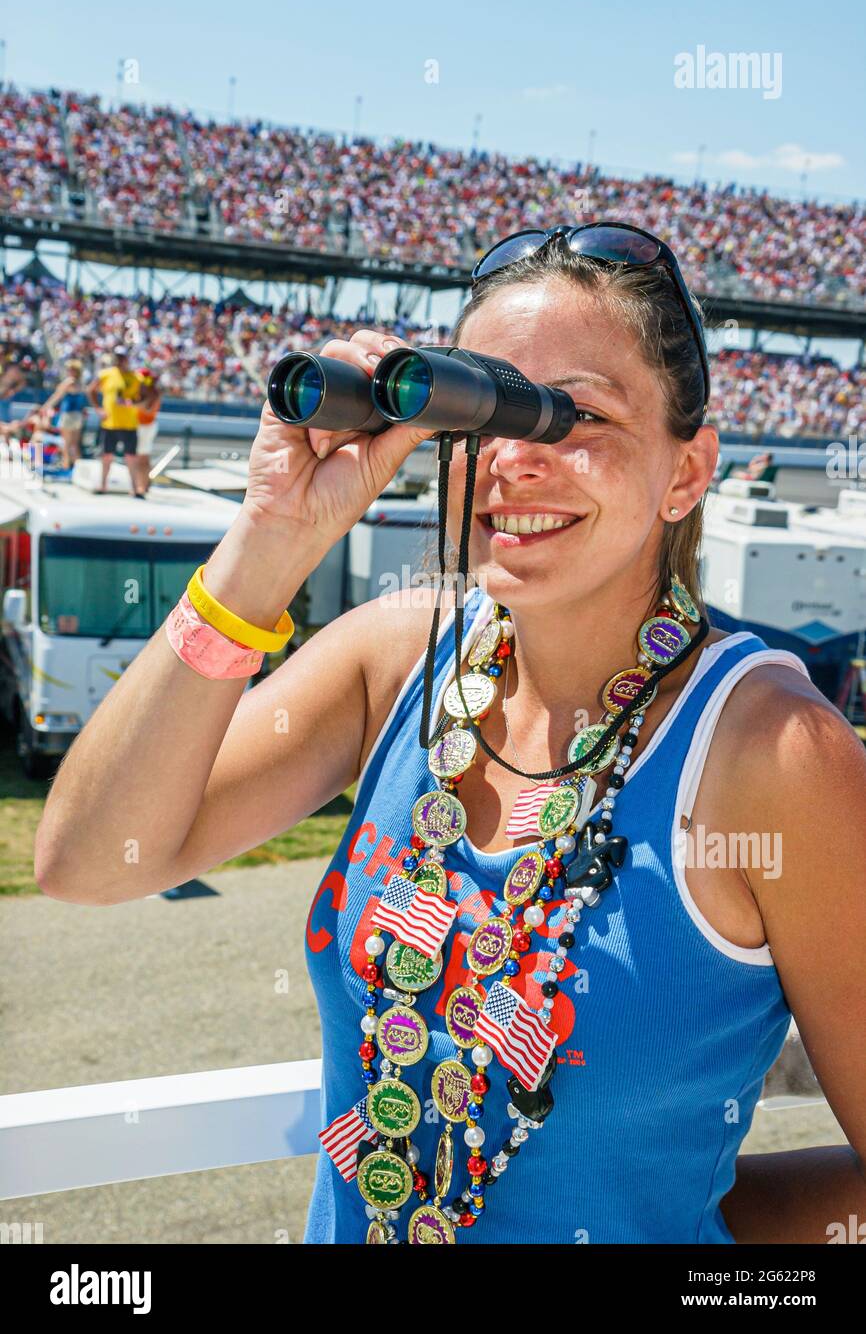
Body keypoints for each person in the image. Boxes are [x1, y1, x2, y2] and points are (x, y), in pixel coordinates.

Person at [33, 224, 866, 1246]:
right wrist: (270, 538)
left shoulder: (774, 758)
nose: (512, 458)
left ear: (686, 472)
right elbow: (88, 859)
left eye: (576, 414)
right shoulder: (393, 661)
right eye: (482, 408)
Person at [86, 344, 142, 496]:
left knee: (130, 456)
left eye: (122, 358)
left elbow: (143, 398)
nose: (120, 361)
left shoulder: (136, 377)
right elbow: (90, 390)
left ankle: (135, 488)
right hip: (109, 423)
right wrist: (98, 409)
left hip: (129, 423)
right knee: (106, 455)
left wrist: (132, 403)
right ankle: (103, 485)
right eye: (118, 358)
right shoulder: (105, 374)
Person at [35, 358, 86, 469]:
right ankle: (80, 470)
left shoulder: (69, 381)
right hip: (78, 416)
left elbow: (56, 396)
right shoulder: (81, 383)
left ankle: (66, 467)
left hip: (68, 416)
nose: (67, 371)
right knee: (74, 445)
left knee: (66, 444)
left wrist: (45, 407)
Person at [131, 366, 161, 496]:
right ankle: (143, 484)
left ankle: (141, 486)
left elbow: (148, 409)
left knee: (142, 458)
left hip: (146, 427)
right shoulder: (140, 391)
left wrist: (131, 404)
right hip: (140, 426)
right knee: (141, 458)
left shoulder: (153, 393)